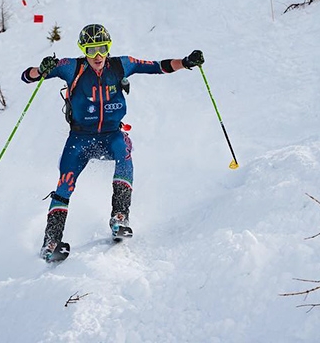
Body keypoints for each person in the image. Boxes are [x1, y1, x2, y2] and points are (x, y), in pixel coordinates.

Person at [21, 24, 205, 263]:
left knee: (124, 150)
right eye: (91, 50)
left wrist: (187, 62)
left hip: (110, 136)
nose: (97, 56)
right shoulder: (71, 67)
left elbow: (158, 67)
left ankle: (119, 216)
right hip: (80, 139)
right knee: (65, 182)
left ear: (109, 47)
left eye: (102, 48)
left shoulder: (121, 64)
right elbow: (27, 76)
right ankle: (51, 242)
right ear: (82, 50)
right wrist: (40, 69)